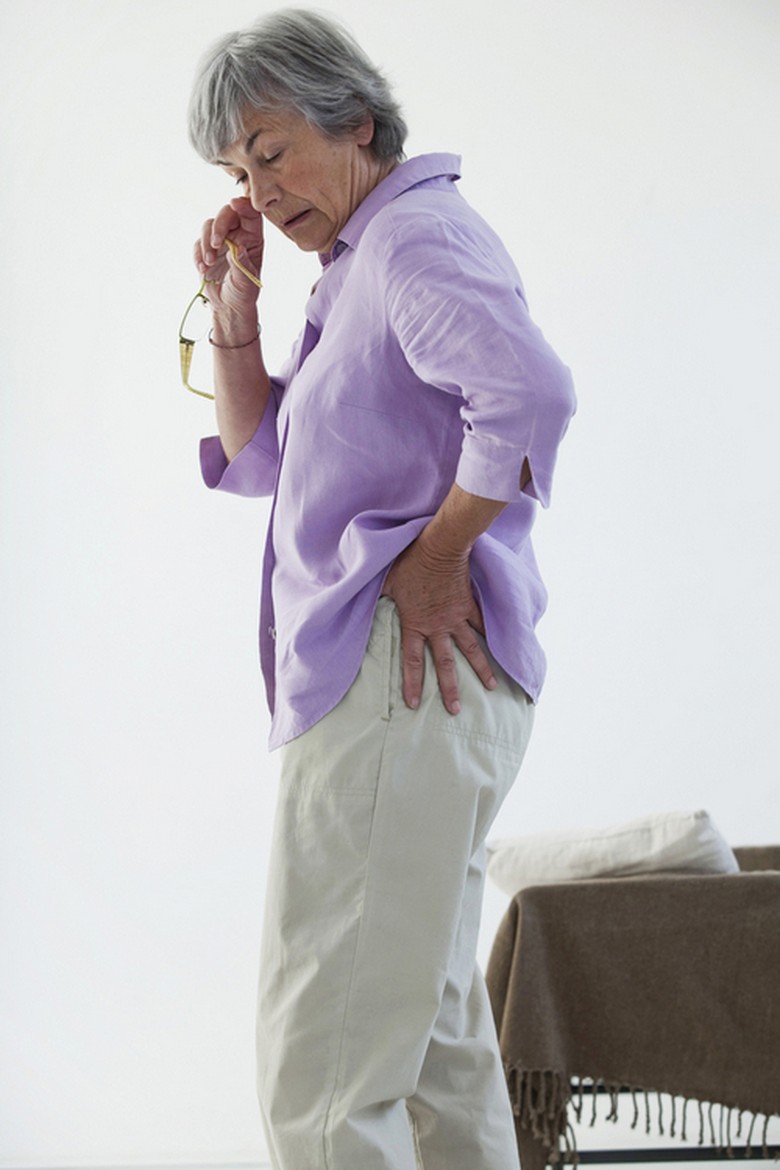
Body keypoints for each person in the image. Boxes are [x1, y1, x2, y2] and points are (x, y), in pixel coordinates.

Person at [187, 10, 575, 1169]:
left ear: (356, 121)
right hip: (421, 690)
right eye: (236, 172)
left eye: (272, 152)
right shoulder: (361, 263)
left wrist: (439, 553)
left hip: (399, 681)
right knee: (433, 1049)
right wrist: (236, 317)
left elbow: (531, 398)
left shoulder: (410, 238)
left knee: (322, 1070)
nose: (259, 192)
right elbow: (263, 459)